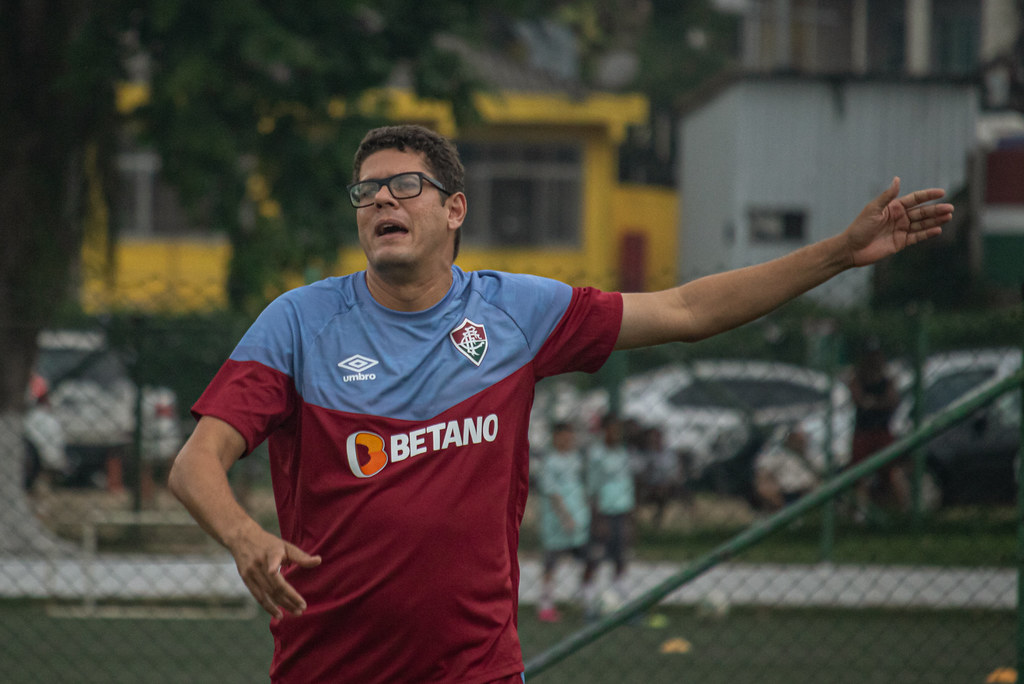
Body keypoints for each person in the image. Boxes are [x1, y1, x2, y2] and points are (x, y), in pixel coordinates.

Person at [167, 123, 952, 683]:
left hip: (475, 670)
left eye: (405, 185)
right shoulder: (299, 322)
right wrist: (243, 535)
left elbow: (687, 311)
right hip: (326, 669)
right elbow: (197, 461)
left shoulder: (517, 312)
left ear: (454, 209)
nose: (381, 200)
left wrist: (842, 254)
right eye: (367, 190)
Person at [847, 338, 910, 520]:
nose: (872, 359)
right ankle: (861, 513)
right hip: (863, 432)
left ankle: (906, 510)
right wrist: (876, 403)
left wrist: (872, 403)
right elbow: (859, 399)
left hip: (882, 431)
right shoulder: (858, 377)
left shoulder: (886, 379)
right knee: (859, 475)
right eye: (869, 355)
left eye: (875, 355)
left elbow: (892, 401)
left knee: (892, 472)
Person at [534, 422, 590, 623]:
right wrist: (565, 517)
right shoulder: (550, 462)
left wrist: (582, 512)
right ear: (556, 437)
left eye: (570, 436)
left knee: (586, 560)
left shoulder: (575, 459)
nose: (568, 440)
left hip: (579, 520)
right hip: (556, 523)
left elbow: (580, 487)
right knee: (551, 564)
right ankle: (546, 605)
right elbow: (552, 493)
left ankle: (586, 598)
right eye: (564, 436)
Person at [582, 413, 637, 616]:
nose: (616, 434)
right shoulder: (596, 455)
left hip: (621, 512)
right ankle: (589, 606)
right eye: (612, 429)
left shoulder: (623, 454)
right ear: (604, 431)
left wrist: (631, 516)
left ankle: (622, 605)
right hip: (603, 514)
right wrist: (597, 518)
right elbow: (592, 488)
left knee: (621, 559)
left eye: (618, 430)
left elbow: (627, 486)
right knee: (594, 560)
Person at [753, 422, 820, 512]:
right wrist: (778, 502)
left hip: (811, 493)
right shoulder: (774, 455)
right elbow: (763, 481)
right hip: (790, 496)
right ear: (790, 438)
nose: (803, 438)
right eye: (797, 436)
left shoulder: (809, 453)